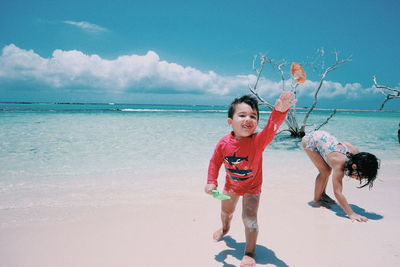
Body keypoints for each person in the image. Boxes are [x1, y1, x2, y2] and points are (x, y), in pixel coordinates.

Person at [205, 92, 296, 267]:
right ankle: (225, 228)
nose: (248, 119)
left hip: (252, 187)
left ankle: (250, 251)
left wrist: (279, 112)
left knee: (249, 219)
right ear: (230, 122)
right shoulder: (223, 143)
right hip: (231, 186)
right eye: (242, 115)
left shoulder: (258, 141)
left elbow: (271, 128)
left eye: (253, 116)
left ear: (256, 123)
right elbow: (214, 162)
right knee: (226, 212)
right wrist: (211, 182)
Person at [301, 130, 380, 222]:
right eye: (360, 177)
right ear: (354, 166)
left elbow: (346, 143)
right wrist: (351, 213)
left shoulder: (356, 155)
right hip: (310, 142)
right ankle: (316, 200)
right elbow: (337, 192)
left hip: (321, 136)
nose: (359, 180)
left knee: (327, 170)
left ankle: (323, 194)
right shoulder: (339, 164)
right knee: (325, 171)